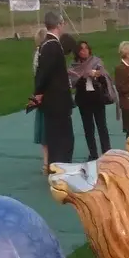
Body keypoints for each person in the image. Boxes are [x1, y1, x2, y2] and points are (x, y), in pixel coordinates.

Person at [34, 10, 75, 165]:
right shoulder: (52, 46)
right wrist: (39, 92)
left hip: (54, 99)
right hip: (56, 100)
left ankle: (58, 165)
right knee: (62, 138)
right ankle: (61, 167)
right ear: (59, 24)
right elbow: (44, 73)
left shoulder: (47, 44)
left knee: (58, 136)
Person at [69, 40, 116, 159]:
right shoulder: (74, 66)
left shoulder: (96, 61)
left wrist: (98, 75)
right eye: (81, 49)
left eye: (86, 48)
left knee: (102, 126)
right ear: (77, 52)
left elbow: (105, 76)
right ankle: (93, 153)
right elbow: (72, 83)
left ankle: (107, 151)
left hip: (97, 98)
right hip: (83, 100)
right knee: (88, 129)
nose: (84, 51)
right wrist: (83, 77)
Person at [31, 27, 48, 173]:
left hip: (42, 94)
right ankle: (47, 162)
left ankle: (47, 162)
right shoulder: (42, 53)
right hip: (46, 95)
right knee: (46, 130)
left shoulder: (38, 53)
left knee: (45, 129)